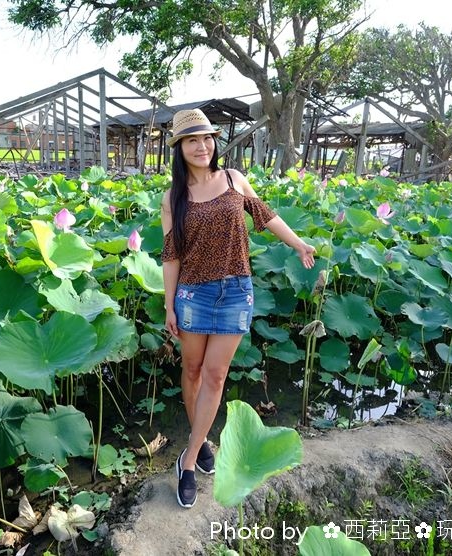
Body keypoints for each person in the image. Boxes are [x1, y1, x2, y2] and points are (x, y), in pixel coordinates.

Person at [160, 109, 316, 508]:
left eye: (207, 138)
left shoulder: (234, 180)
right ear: (179, 148)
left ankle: (189, 461)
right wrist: (169, 306)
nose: (202, 146)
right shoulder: (174, 198)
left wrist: (298, 244)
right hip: (192, 294)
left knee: (215, 376)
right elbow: (172, 257)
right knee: (191, 371)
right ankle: (204, 440)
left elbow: (267, 216)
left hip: (235, 292)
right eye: (192, 140)